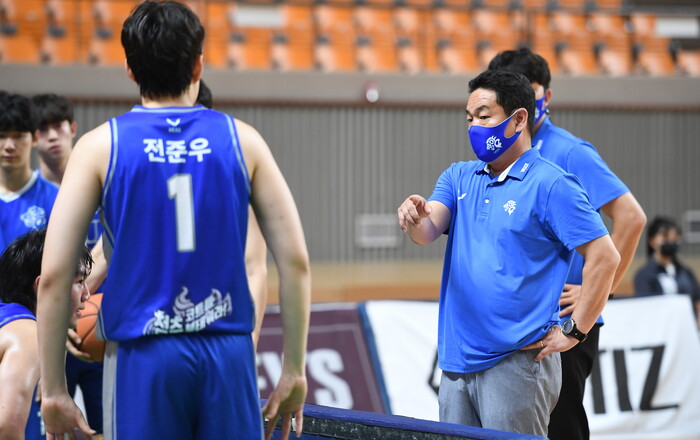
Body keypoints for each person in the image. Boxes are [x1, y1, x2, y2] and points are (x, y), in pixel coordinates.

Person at [36, 2, 310, 440]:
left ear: (130, 69)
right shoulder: (244, 140)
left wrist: (53, 391)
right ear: (199, 64)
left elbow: (53, 276)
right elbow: (295, 262)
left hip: (143, 355)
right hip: (227, 352)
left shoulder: (98, 147)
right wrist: (294, 369)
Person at [397, 69, 620, 436]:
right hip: (456, 363)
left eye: (484, 116)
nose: (474, 126)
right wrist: (415, 217)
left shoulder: (552, 184)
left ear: (518, 120)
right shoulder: (458, 177)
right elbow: (428, 230)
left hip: (517, 363)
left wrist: (576, 331)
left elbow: (605, 256)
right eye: (469, 118)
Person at [488, 48, 647, 440]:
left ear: (546, 96)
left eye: (530, 92)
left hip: (564, 322)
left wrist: (599, 291)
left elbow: (631, 218)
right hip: (519, 320)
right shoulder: (499, 157)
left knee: (562, 428)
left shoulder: (570, 152)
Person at [32, 92, 106, 436]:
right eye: (43, 129)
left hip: (99, 322)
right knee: (53, 429)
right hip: (50, 332)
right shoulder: (30, 197)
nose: (52, 136)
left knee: (104, 428)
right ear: (34, 137)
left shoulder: (101, 188)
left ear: (73, 129)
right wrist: (53, 321)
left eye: (58, 127)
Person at [0, 228, 93, 440]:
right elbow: (6, 429)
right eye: (79, 282)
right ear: (43, 286)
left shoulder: (10, 321)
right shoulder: (28, 335)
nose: (87, 295)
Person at [196, 79, 269, 347]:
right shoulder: (143, 173)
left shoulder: (233, 179)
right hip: (160, 334)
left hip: (221, 329)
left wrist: (252, 339)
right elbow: (103, 255)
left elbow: (255, 268)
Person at [0, 93, 59, 252]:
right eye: (2, 136)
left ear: (35, 138)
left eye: (18, 136)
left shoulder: (54, 198)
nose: (9, 146)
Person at [634, 216, 700, 327]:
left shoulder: (686, 272)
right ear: (651, 240)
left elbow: (697, 299)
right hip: (662, 329)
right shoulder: (644, 275)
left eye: (674, 238)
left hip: (688, 329)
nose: (670, 242)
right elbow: (646, 308)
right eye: (665, 237)